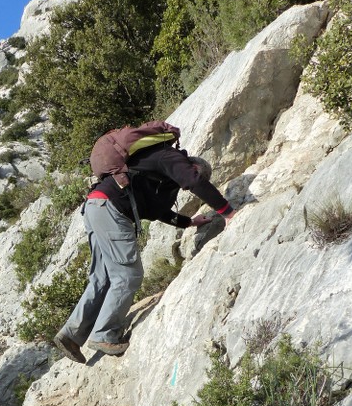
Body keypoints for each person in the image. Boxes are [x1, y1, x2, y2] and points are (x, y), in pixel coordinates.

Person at [53, 142, 236, 364]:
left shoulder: (161, 180)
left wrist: (188, 222)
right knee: (128, 275)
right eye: (197, 176)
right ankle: (104, 334)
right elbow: (193, 181)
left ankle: (70, 336)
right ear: (194, 167)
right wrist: (227, 212)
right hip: (110, 209)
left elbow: (156, 211)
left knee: (102, 279)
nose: (189, 185)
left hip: (95, 206)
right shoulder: (172, 158)